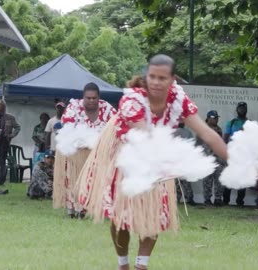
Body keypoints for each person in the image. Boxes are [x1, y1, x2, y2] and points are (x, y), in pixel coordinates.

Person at [76, 54, 228, 270]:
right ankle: (123, 264)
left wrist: (237, 160)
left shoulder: (179, 100)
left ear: (172, 79)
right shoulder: (132, 100)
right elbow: (145, 135)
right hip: (128, 151)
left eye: (162, 78)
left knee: (154, 211)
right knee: (122, 216)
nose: (156, 82)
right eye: (152, 77)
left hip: (159, 151)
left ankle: (141, 266)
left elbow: (207, 133)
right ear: (146, 76)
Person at [53, 83, 116, 218]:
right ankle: (74, 209)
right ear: (83, 97)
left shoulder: (108, 109)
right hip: (75, 153)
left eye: (94, 98)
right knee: (74, 180)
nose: (91, 101)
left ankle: (94, 208)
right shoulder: (74, 107)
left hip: (97, 153)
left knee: (95, 181)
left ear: (99, 98)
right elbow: (67, 129)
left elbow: (115, 127)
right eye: (88, 98)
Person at [0, 99, 21, 186]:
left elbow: (18, 127)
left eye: (0, 105)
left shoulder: (10, 117)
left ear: (4, 106)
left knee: (2, 161)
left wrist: (12, 135)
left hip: (4, 141)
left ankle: (1, 181)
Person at [222, 101, 248, 206]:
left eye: (243, 108)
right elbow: (225, 139)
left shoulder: (250, 123)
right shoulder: (231, 123)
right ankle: (226, 201)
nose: (242, 110)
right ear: (237, 110)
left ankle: (240, 201)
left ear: (246, 110)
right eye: (240, 108)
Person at [198, 110, 225, 206]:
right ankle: (207, 199)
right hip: (207, 159)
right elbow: (198, 145)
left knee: (218, 180)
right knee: (207, 181)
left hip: (218, 159)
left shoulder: (219, 129)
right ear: (209, 118)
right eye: (215, 118)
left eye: (217, 118)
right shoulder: (203, 129)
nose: (216, 119)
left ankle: (218, 199)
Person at [173, 120, 196, 205]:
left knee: (184, 181)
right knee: (177, 182)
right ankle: (177, 199)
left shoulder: (187, 132)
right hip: (175, 161)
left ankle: (188, 198)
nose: (182, 122)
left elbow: (192, 146)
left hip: (184, 161)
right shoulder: (171, 131)